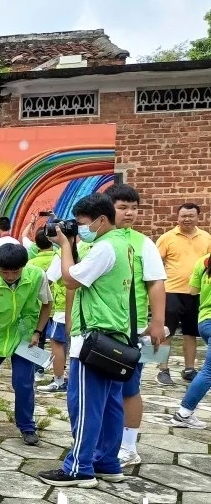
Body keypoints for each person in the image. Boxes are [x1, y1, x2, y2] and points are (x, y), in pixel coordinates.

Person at [39, 193, 132, 488]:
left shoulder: (104, 248)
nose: (79, 229)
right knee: (110, 405)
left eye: (81, 223)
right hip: (114, 335)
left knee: (85, 405)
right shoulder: (123, 244)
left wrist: (65, 245)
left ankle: (79, 467)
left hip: (94, 337)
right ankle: (108, 462)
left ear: (101, 220)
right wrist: (73, 246)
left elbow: (70, 280)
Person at [103, 184, 167, 466]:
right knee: (102, 390)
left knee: (129, 388)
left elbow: (155, 284)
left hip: (131, 331)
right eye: (123, 207)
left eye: (134, 208)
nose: (130, 213)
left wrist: (157, 322)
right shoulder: (96, 241)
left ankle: (128, 447)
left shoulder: (143, 243)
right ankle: (106, 441)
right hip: (100, 330)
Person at [0, 243, 53, 445]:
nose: (10, 276)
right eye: (5, 271)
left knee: (24, 383)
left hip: (25, 338)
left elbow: (47, 304)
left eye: (15, 271)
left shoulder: (37, 276)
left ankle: (27, 426)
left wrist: (38, 332)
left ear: (24, 266)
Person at [156, 203, 211, 386]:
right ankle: (163, 369)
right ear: (177, 217)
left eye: (191, 216)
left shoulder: (206, 238)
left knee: (191, 333)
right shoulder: (167, 238)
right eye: (183, 216)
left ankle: (189, 369)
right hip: (171, 291)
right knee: (166, 333)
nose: (187, 219)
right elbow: (156, 263)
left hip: (196, 293)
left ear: (198, 217)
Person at [172, 252, 211, 428]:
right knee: (208, 372)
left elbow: (193, 290)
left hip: (204, 320)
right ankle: (183, 414)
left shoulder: (203, 261)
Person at [28, 231, 68, 394]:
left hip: (50, 306)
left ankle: (42, 372)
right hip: (65, 307)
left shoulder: (33, 262)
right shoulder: (75, 252)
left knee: (49, 342)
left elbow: (46, 280)